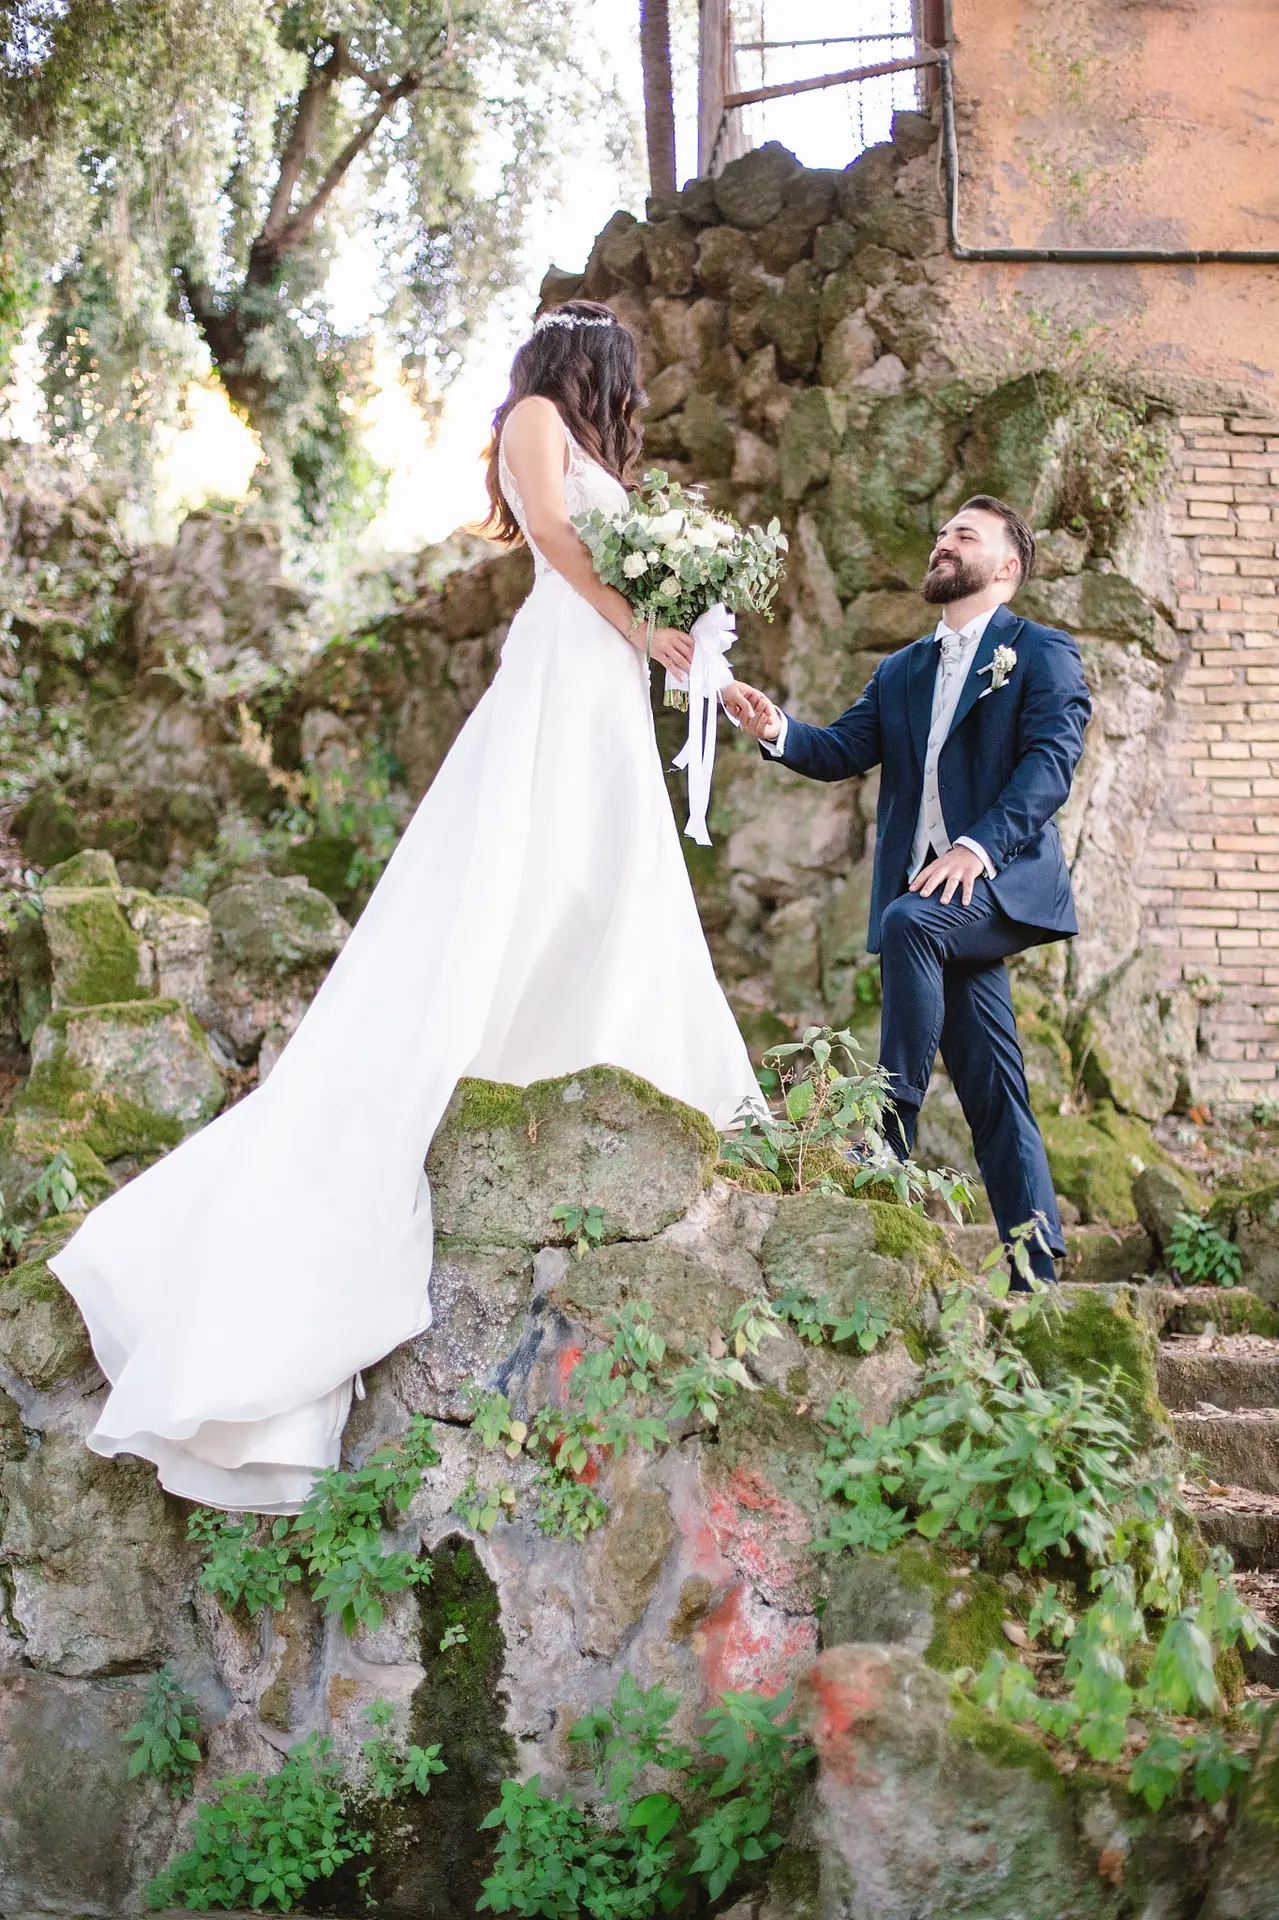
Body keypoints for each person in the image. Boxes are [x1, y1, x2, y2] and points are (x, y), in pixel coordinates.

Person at [51, 299, 762, 1512]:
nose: (621, 387)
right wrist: (642, 625)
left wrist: (701, 665)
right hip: (559, 673)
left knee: (609, 880)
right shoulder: (536, 419)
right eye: (620, 370)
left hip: (609, 687)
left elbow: (627, 580)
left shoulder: (602, 460)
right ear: (586, 367)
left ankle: (598, 1055)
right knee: (524, 876)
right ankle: (483, 1051)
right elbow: (549, 531)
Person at [724, 497, 1091, 1287]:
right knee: (992, 1082)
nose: (942, 543)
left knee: (908, 922)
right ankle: (1037, 1269)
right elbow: (839, 750)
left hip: (997, 882)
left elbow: (1049, 767)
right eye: (939, 534)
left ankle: (887, 1132)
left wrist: (974, 846)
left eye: (964, 535)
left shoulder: (1040, 652)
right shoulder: (901, 671)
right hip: (940, 900)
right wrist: (774, 728)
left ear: (1007, 567)